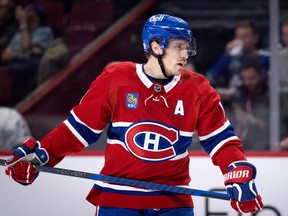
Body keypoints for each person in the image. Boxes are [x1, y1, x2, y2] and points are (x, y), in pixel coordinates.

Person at [4, 14, 263, 215]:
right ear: (156, 46)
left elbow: (221, 141)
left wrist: (235, 168)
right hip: (118, 201)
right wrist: (43, 153)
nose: (186, 54)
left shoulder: (198, 89)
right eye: (179, 47)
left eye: (188, 47)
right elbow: (78, 130)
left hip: (173, 203)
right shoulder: (115, 79)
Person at [0, 3, 54, 104]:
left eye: (29, 11)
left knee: (20, 71)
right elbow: (4, 56)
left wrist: (23, 24)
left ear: (37, 16)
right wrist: (22, 53)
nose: (23, 14)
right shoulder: (19, 34)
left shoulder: (45, 32)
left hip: (29, 70)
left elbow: (26, 47)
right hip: (14, 66)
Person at [206, 20, 269, 100]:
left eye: (245, 36)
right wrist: (226, 55)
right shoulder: (230, 57)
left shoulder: (266, 58)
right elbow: (211, 76)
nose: (241, 40)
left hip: (259, 100)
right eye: (238, 37)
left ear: (255, 38)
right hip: (232, 101)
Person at [230, 57, 270, 150]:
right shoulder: (239, 93)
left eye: (252, 78)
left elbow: (275, 126)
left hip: (263, 145)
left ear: (262, 74)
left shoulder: (271, 96)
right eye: (245, 78)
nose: (248, 82)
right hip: (240, 143)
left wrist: (252, 121)